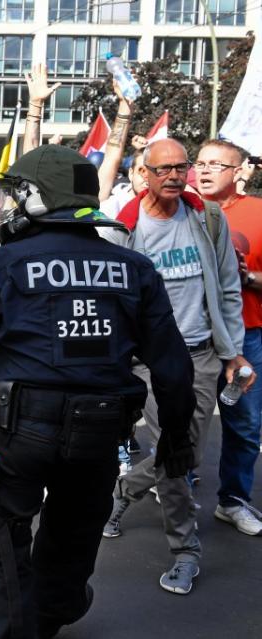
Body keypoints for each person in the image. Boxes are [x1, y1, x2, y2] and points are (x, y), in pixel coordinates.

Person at [0, 145, 196, 638]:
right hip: (102, 433)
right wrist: (177, 441)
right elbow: (172, 366)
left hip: (21, 432)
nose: (6, 210)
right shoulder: (134, 268)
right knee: (74, 533)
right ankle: (53, 608)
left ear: (36, 200)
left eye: (14, 198)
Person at [103, 138, 252, 595]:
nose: (173, 175)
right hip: (151, 362)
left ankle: (125, 491)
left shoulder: (207, 219)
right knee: (175, 454)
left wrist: (233, 352)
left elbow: (228, 287)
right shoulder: (122, 228)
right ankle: (185, 551)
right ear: (143, 173)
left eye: (180, 167)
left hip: (203, 356)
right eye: (162, 168)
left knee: (182, 449)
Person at [195, 139, 262, 536]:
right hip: (192, 337)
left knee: (245, 423)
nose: (203, 171)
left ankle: (233, 501)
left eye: (216, 165)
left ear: (239, 172)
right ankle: (178, 498)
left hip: (246, 337)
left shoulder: (257, 212)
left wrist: (247, 278)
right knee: (184, 421)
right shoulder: (178, 208)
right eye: (199, 162)